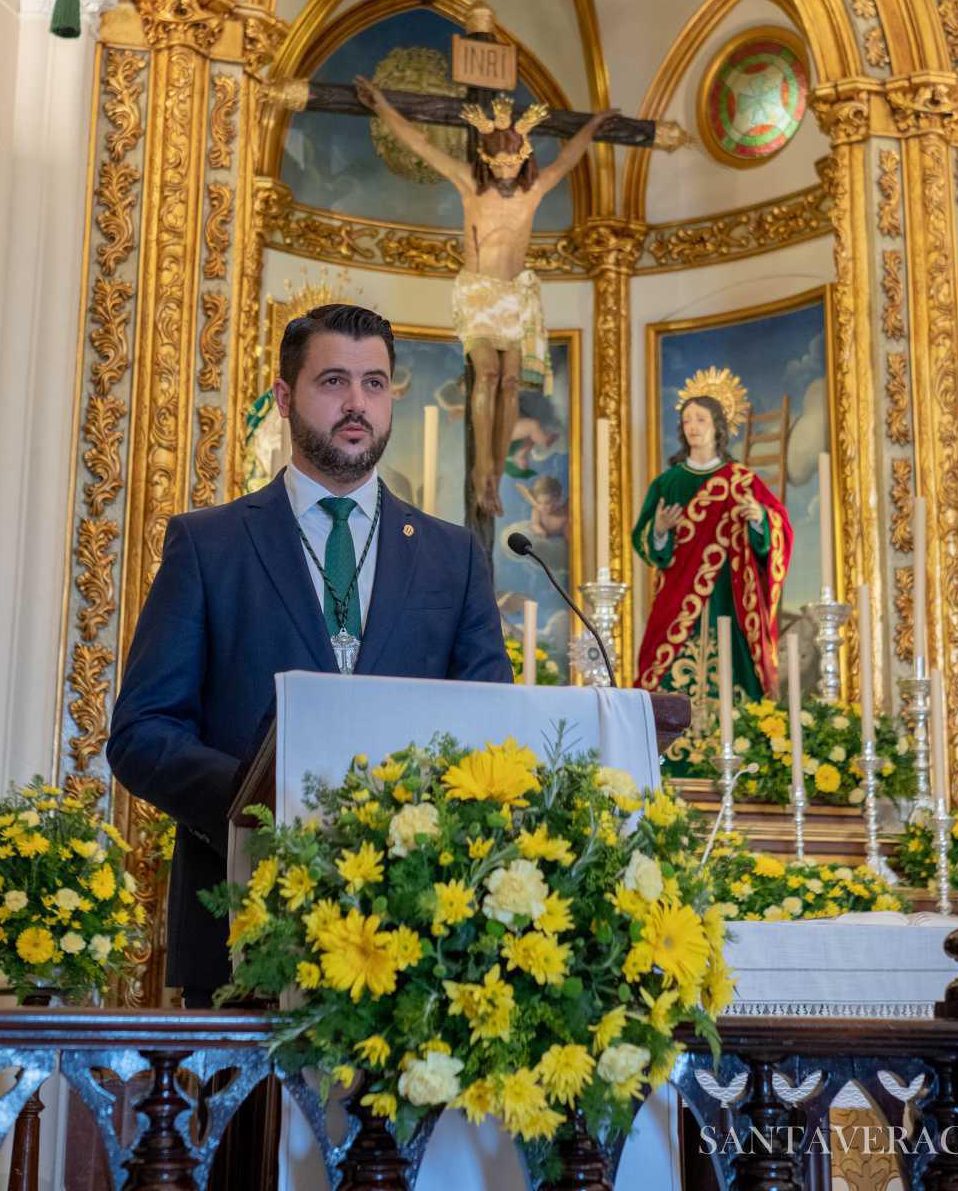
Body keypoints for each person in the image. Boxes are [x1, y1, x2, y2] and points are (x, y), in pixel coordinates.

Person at [107, 303, 511, 1002]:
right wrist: (263, 804)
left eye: (375, 384)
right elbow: (142, 734)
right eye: (333, 381)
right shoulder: (209, 545)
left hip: (420, 943)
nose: (357, 404)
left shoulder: (455, 557)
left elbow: (493, 733)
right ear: (287, 396)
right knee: (249, 1117)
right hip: (244, 929)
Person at [355, 74, 616, 516]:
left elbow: (570, 157)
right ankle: (482, 473)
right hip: (478, 292)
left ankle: (496, 468)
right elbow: (421, 146)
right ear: (485, 158)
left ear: (524, 156)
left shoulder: (532, 192)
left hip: (514, 295)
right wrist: (381, 106)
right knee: (489, 375)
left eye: (512, 162)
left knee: (512, 380)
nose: (505, 170)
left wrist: (593, 126)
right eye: (497, 163)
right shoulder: (469, 185)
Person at [632, 376, 792, 707]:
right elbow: (644, 540)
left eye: (701, 419)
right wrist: (660, 531)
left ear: (718, 426)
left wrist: (759, 520)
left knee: (733, 682)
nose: (692, 426)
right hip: (676, 597)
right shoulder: (667, 483)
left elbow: (778, 528)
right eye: (687, 419)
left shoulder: (741, 480)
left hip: (728, 597)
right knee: (664, 677)